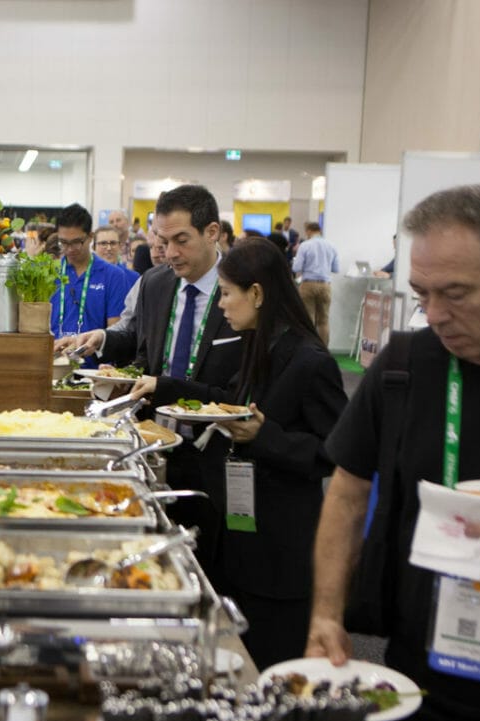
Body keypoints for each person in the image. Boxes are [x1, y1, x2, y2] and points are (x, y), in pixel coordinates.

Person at [306, 184, 480, 721]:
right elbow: (346, 494)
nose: (435, 314)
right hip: (416, 690)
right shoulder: (406, 365)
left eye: (456, 293)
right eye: (422, 294)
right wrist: (327, 613)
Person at [131, 238, 346, 668]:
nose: (221, 305)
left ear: (257, 294)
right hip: (241, 533)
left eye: (227, 294)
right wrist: (165, 387)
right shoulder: (258, 343)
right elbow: (228, 401)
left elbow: (334, 450)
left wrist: (265, 436)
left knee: (273, 661)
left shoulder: (310, 360)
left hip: (280, 544)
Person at [58, 185, 243, 586]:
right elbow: (141, 346)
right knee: (153, 562)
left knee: (210, 569)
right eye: (162, 240)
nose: (170, 252)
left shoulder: (241, 289)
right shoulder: (155, 283)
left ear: (212, 232)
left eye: (181, 240)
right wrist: (103, 339)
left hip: (216, 453)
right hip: (154, 445)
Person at [50, 203, 137, 364]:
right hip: (53, 364)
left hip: (93, 370)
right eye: (64, 242)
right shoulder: (50, 273)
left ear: (90, 237)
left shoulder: (113, 275)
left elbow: (115, 332)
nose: (70, 249)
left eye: (76, 242)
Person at [291, 221, 340, 345]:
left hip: (308, 285)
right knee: (323, 321)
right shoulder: (331, 246)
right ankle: (323, 349)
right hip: (325, 285)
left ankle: (309, 348)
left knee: (308, 319)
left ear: (308, 231)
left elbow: (296, 268)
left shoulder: (305, 245)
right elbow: (336, 269)